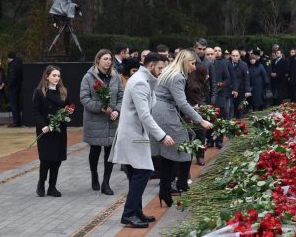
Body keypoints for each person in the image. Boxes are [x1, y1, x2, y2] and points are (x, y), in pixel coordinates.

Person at [109, 53, 174, 228]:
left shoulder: (144, 80)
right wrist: (162, 136)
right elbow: (144, 115)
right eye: (160, 68)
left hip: (135, 133)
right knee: (143, 172)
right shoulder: (139, 81)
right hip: (133, 135)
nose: (162, 71)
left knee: (135, 174)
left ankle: (136, 212)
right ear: (151, 66)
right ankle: (129, 214)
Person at [151, 50, 213, 207]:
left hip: (161, 111)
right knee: (185, 147)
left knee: (169, 153)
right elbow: (182, 103)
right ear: (185, 62)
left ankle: (165, 190)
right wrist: (200, 120)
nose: (194, 67)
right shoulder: (178, 76)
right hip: (166, 113)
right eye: (192, 63)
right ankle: (182, 185)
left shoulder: (169, 72)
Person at [80, 49, 124, 195]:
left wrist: (117, 110)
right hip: (95, 120)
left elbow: (121, 96)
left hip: (111, 120)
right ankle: (94, 175)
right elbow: (84, 98)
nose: (108, 61)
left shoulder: (115, 76)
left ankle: (106, 182)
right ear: (98, 59)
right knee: (95, 150)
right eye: (105, 59)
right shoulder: (88, 77)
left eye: (110, 59)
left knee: (109, 153)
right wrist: (101, 107)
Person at [32, 65, 70, 197]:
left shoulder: (62, 91)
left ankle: (52, 187)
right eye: (54, 75)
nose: (57, 78)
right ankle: (41, 184)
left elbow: (68, 106)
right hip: (46, 130)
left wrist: (68, 112)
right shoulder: (39, 92)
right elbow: (35, 111)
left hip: (59, 130)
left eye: (58, 76)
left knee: (57, 160)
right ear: (47, 76)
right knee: (46, 159)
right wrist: (43, 125)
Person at [185, 64, 209, 165]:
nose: (208, 76)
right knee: (197, 135)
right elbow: (197, 101)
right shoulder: (194, 86)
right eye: (206, 73)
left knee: (199, 135)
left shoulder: (198, 83)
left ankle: (199, 156)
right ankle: (196, 157)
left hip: (195, 111)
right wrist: (206, 108)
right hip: (192, 113)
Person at [231, 49, 251, 118]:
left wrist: (247, 90)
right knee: (230, 108)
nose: (235, 57)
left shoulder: (243, 65)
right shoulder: (227, 64)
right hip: (230, 89)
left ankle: (239, 122)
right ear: (231, 56)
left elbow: (246, 78)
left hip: (241, 90)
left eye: (237, 56)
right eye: (233, 56)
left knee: (239, 108)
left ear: (239, 56)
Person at [7, 52, 23, 127]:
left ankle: (16, 121)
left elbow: (12, 78)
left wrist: (8, 86)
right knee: (17, 105)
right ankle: (18, 121)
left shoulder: (13, 66)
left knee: (13, 105)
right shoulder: (20, 64)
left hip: (13, 88)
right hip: (19, 88)